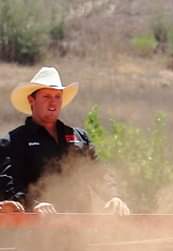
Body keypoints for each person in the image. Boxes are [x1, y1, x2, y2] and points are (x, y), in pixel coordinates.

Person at [1, 66, 129, 215]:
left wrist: (114, 197)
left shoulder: (80, 137)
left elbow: (98, 173)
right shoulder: (14, 141)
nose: (53, 102)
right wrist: (34, 204)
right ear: (31, 100)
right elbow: (9, 184)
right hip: (36, 230)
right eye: (47, 96)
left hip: (80, 227)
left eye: (57, 96)